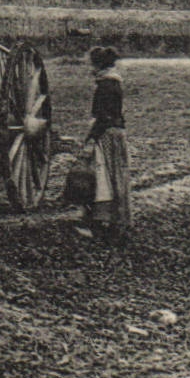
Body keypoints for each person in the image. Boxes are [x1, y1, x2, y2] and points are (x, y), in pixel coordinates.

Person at [75, 45, 130, 242]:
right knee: (114, 178)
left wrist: (90, 138)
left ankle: (103, 226)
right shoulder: (114, 83)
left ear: (98, 65)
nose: (90, 68)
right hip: (116, 133)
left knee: (103, 179)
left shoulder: (105, 86)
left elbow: (103, 117)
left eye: (91, 64)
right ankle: (116, 223)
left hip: (107, 135)